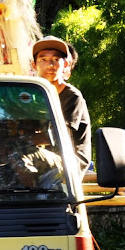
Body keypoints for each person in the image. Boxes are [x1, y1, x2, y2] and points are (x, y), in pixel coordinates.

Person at [32, 36, 91, 175]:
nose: (50, 65)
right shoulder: (35, 96)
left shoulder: (72, 96)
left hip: (69, 164)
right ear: (33, 65)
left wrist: (21, 140)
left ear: (65, 65)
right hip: (47, 160)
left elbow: (59, 135)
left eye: (56, 59)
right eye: (43, 59)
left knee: (19, 156)